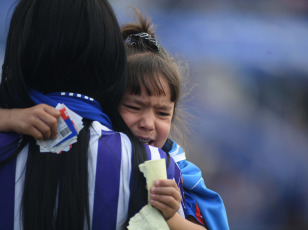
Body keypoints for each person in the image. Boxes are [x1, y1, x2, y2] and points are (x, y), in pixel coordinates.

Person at [0, 8, 229, 229]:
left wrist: (172, 217)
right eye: (133, 106)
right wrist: (10, 118)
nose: (148, 123)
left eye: (162, 113)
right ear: (109, 102)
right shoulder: (52, 126)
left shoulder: (176, 171)